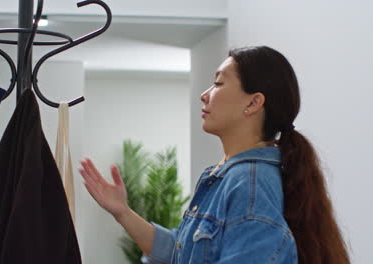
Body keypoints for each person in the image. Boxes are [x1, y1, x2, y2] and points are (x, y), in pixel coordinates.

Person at [78, 46, 350, 263]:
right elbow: (180, 251)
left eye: (218, 84)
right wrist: (122, 212)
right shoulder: (228, 176)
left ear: (254, 102)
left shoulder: (249, 183)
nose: (205, 95)